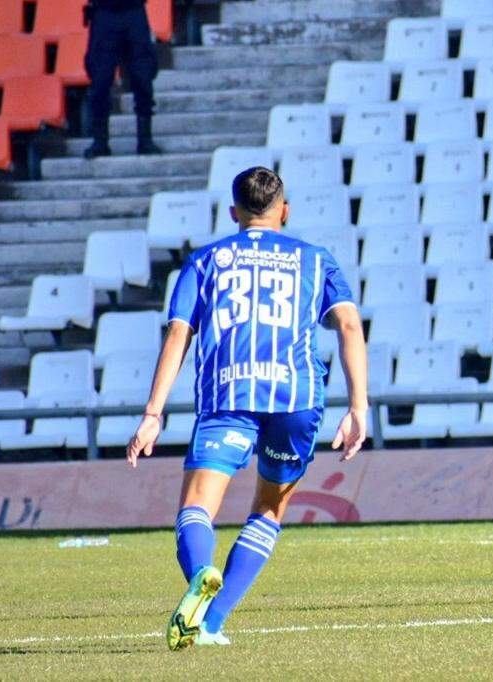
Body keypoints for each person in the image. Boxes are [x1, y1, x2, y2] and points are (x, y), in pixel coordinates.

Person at [127, 167, 368, 650]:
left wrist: (153, 413)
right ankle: (211, 624)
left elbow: (178, 334)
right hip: (295, 399)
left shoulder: (204, 261)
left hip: (228, 394)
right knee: (269, 508)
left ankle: (200, 573)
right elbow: (348, 327)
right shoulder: (316, 260)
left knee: (197, 506)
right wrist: (358, 405)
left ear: (234, 212)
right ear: (285, 210)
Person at [83, 0, 162, 158]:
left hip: (134, 10)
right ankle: (100, 141)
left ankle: (145, 139)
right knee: (100, 79)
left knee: (143, 76)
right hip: (103, 13)